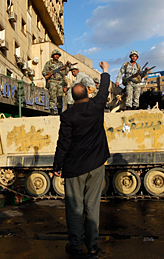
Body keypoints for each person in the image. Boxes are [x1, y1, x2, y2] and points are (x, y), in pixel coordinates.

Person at [53, 61, 110, 257]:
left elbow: (63, 143)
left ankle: (75, 246)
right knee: (92, 206)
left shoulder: (67, 115)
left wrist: (57, 165)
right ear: (88, 94)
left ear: (72, 97)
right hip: (96, 165)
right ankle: (92, 246)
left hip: (74, 168)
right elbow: (103, 91)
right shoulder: (96, 106)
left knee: (74, 208)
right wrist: (105, 72)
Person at [42, 49, 70, 115]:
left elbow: (65, 73)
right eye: (55, 55)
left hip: (60, 83)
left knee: (60, 98)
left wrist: (68, 67)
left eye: (58, 55)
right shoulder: (49, 63)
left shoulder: (61, 64)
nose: (57, 56)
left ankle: (59, 112)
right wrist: (48, 73)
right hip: (52, 82)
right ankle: (51, 112)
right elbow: (44, 72)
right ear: (53, 55)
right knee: (52, 97)